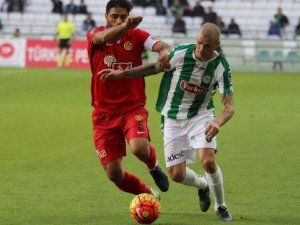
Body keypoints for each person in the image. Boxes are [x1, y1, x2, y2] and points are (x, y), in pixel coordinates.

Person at [100, 22, 234, 222]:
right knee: (176, 175)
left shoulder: (221, 67)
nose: (200, 49)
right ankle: (202, 185)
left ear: (217, 44)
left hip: (201, 117)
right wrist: (120, 74)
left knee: (208, 161)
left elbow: (229, 107)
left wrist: (217, 122)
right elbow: (154, 68)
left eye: (206, 46)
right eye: (198, 43)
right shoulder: (181, 53)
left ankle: (221, 206)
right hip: (172, 118)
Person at [86, 0, 170, 200]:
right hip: (103, 114)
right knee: (114, 174)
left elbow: (162, 46)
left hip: (132, 108)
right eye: (114, 16)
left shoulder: (138, 35)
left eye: (123, 16)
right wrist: (125, 26)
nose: (118, 20)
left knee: (139, 148)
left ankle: (154, 166)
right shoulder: (94, 34)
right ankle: (150, 194)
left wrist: (165, 52)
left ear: (128, 16)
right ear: (106, 17)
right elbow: (100, 38)